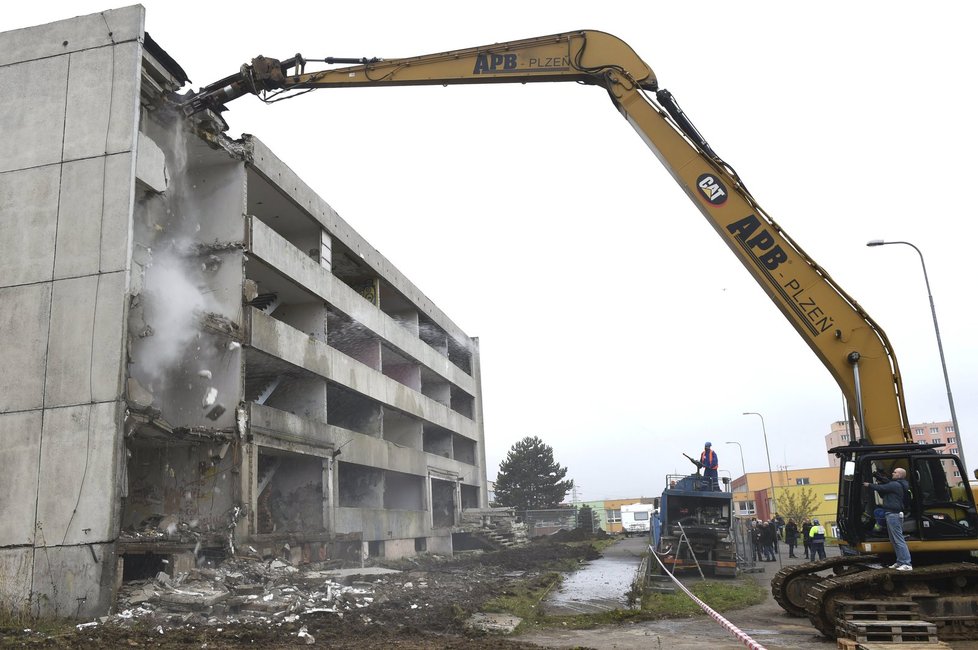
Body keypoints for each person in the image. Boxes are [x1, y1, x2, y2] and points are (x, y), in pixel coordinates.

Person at [864, 467, 912, 571]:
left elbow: (881, 489)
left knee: (899, 540)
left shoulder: (895, 485)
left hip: (894, 514)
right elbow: (883, 492)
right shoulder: (896, 485)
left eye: (894, 472)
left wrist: (869, 485)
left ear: (899, 475)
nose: (892, 473)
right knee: (894, 540)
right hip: (891, 514)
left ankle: (907, 563)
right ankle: (900, 562)